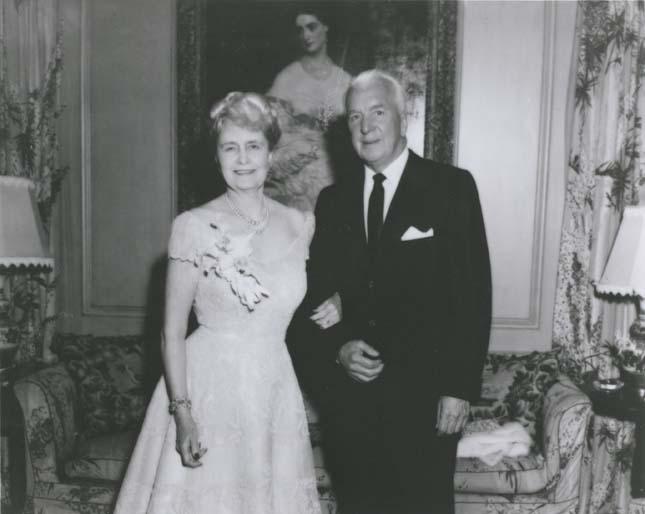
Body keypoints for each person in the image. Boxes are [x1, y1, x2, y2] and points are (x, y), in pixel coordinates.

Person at [290, 70, 492, 514]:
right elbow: (315, 297)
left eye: (378, 112)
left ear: (404, 116)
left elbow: (473, 297)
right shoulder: (333, 201)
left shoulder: (452, 188)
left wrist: (458, 389)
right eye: (355, 117)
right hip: (352, 402)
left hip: (425, 400)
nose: (366, 127)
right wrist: (337, 349)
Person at [113, 92, 321, 514]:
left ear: (270, 151)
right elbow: (171, 332)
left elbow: (310, 297)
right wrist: (183, 413)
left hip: (274, 389)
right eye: (230, 147)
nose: (242, 159)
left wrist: (337, 302)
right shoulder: (192, 226)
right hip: (209, 391)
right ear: (216, 156)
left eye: (253, 145)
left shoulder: (301, 225)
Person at [268, 5, 351, 129]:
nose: (306, 35)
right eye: (300, 30)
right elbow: (271, 127)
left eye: (311, 27)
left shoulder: (345, 79)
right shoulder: (286, 78)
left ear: (325, 26)